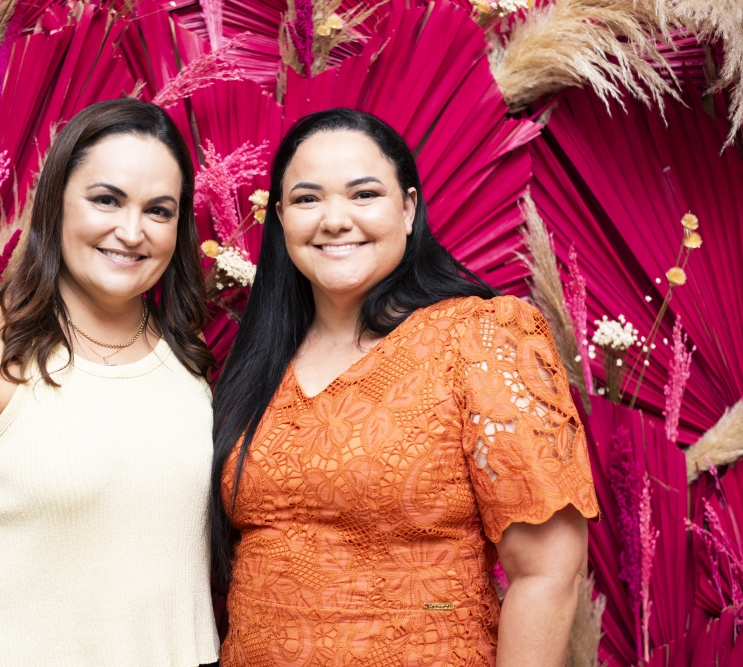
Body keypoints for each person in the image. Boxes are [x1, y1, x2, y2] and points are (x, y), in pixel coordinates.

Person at [211, 108, 599, 666]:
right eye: (307, 199)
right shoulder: (257, 361)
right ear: (281, 218)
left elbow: (548, 572)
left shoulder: (481, 336)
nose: (335, 220)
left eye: (364, 194)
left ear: (409, 208)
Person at [0, 99, 220, 667]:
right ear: (57, 200)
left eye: (159, 210)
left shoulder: (187, 356)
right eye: (106, 199)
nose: (131, 231)